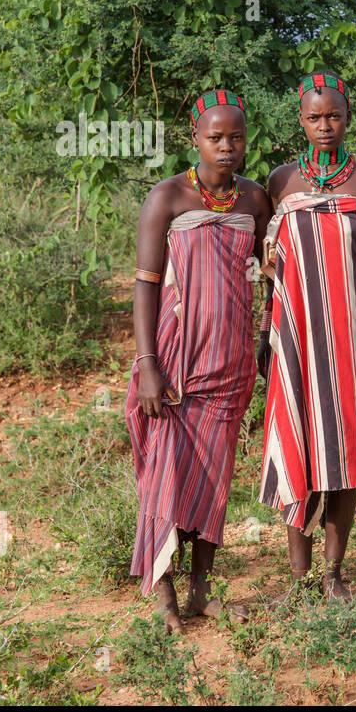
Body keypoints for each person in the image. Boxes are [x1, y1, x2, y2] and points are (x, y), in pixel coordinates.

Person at [127, 89, 271, 634]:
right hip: (175, 365)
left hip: (230, 362)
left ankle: (202, 591)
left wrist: (265, 337)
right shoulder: (167, 197)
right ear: (196, 138)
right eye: (215, 137)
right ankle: (164, 594)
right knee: (164, 475)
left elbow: (270, 274)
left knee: (214, 477)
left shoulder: (254, 200)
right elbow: (145, 285)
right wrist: (148, 364)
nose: (226, 147)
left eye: (236, 137)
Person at [257, 72, 356, 601]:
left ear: (348, 117)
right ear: (301, 120)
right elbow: (269, 267)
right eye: (314, 117)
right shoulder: (280, 182)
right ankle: (299, 580)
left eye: (334, 115)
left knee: (344, 452)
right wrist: (266, 332)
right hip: (295, 339)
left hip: (352, 339)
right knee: (299, 443)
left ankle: (333, 574)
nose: (325, 126)